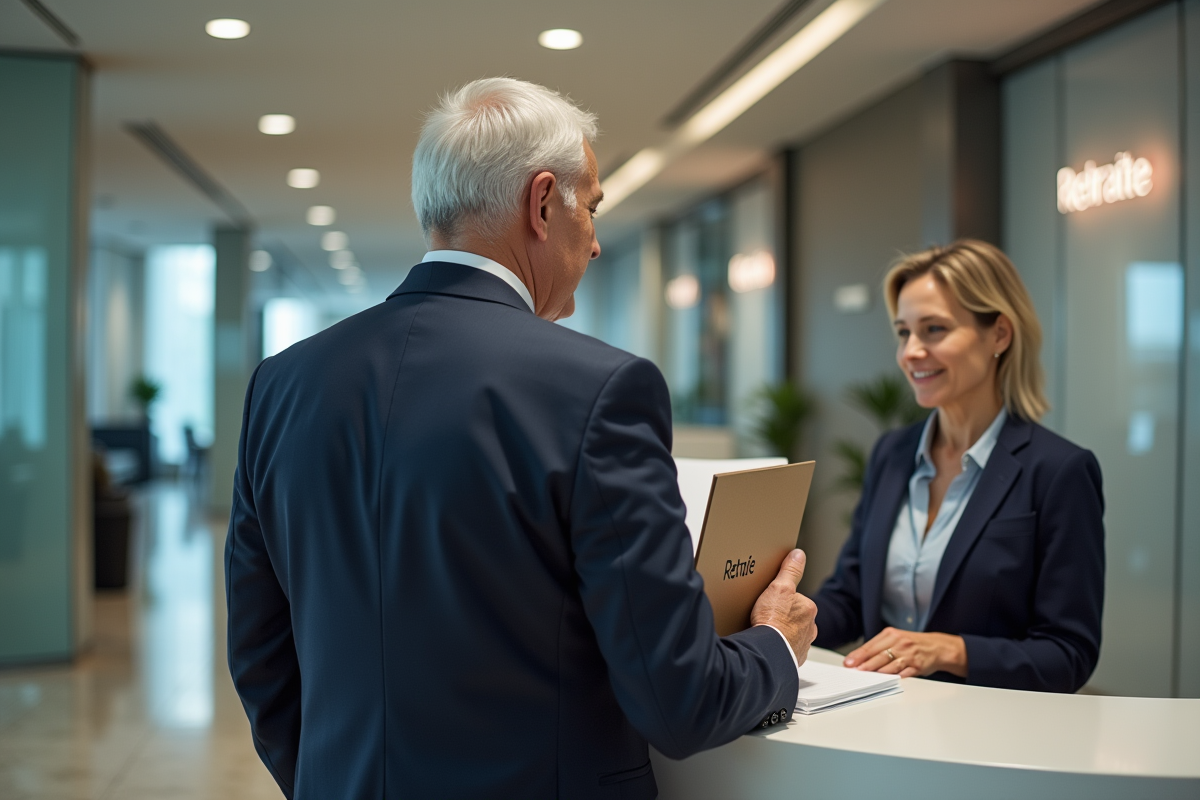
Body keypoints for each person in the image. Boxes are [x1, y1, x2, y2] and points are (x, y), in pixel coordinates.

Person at [225, 78, 817, 800]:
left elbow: (260, 654)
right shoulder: (601, 389)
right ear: (543, 203)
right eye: (592, 208)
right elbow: (677, 700)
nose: (597, 244)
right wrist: (775, 647)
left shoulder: (284, 383)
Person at [812, 240, 1104, 693]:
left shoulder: (1060, 472)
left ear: (999, 335)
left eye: (934, 329)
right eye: (904, 332)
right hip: (876, 725)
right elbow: (849, 597)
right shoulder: (891, 452)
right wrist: (789, 620)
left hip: (986, 738)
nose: (911, 351)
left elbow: (1069, 653)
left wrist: (949, 650)